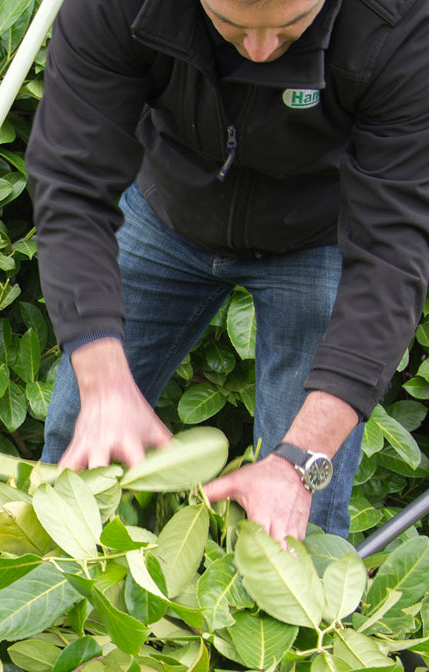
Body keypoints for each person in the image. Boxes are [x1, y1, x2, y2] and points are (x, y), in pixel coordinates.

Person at [26, 0, 429, 542]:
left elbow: (394, 251)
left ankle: (294, 620)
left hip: (316, 234)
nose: (260, 52)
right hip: (165, 206)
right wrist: (103, 387)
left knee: (295, 517)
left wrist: (298, 461)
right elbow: (71, 184)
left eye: (289, 29)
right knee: (82, 438)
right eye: (232, 26)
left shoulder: (402, 20)